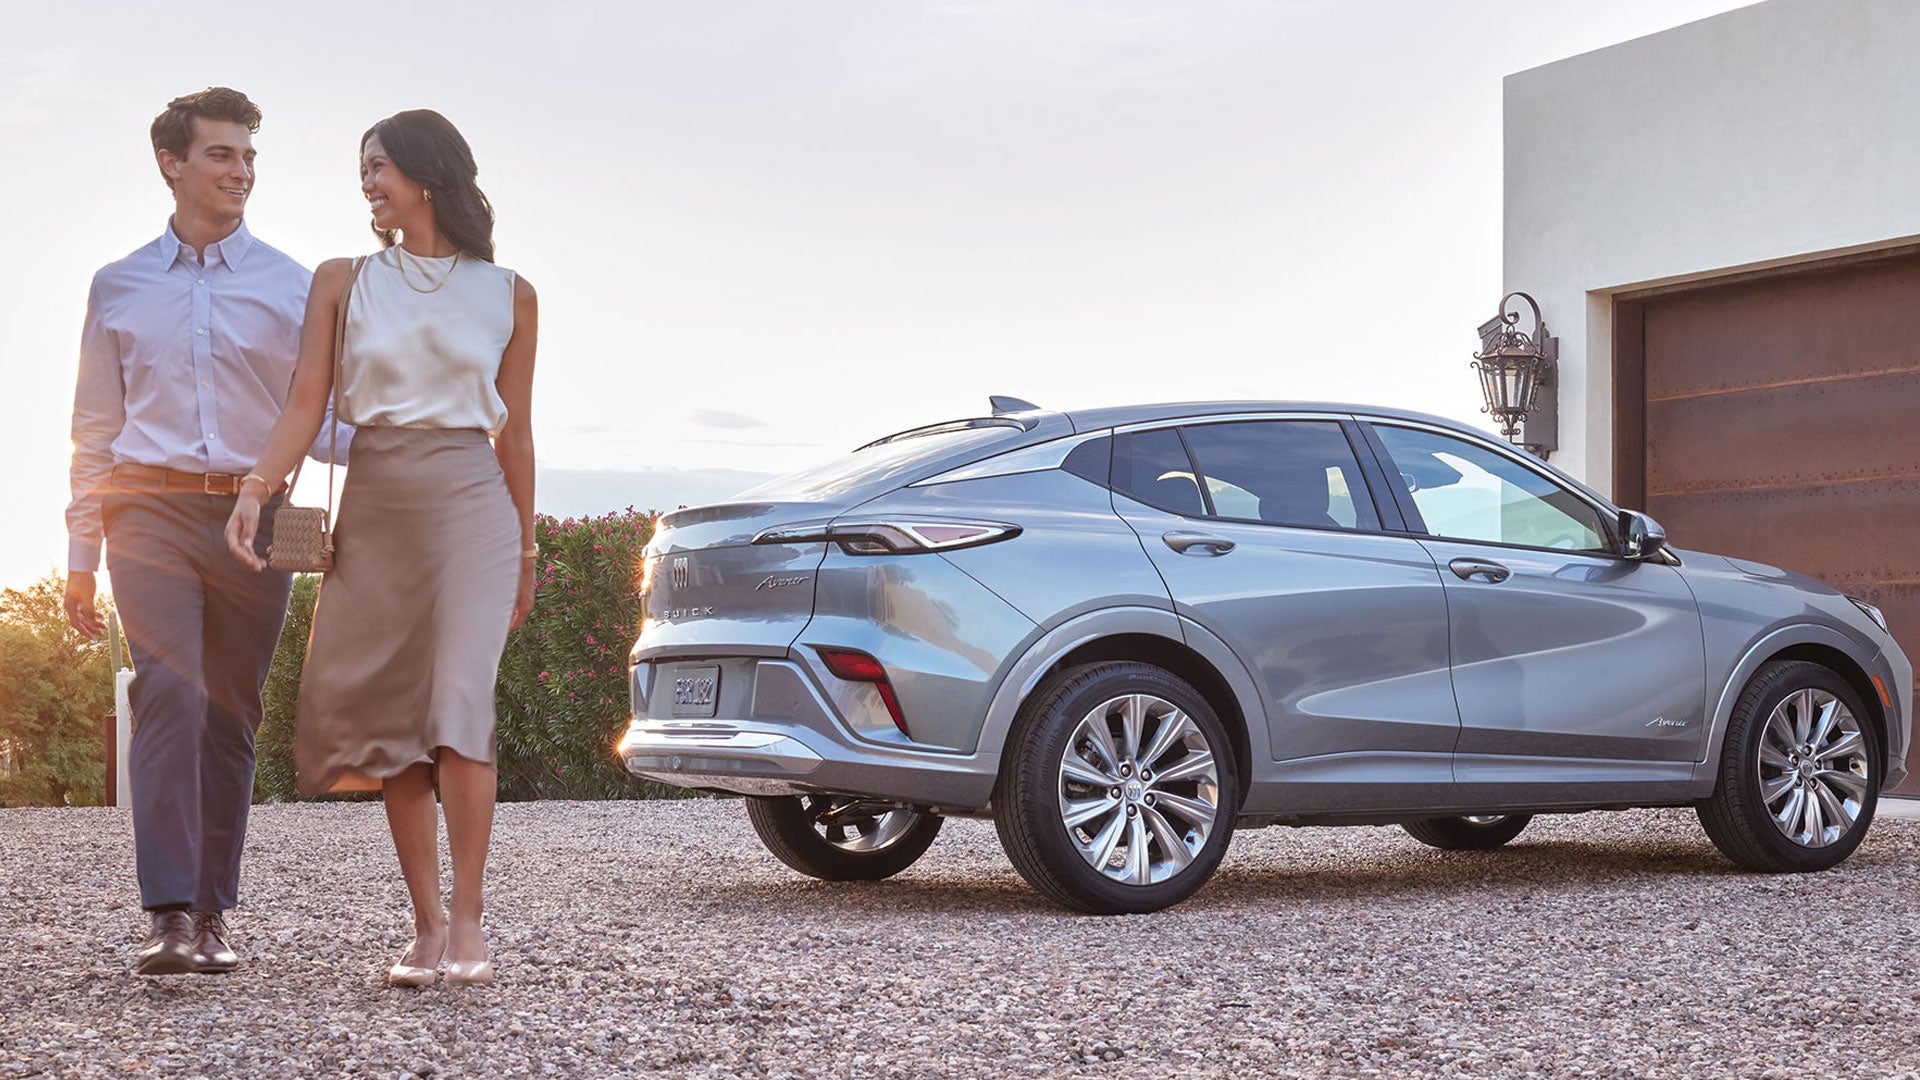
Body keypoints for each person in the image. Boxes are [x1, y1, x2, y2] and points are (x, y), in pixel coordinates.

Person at [225, 109, 538, 988]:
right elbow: (303, 406)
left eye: (380, 166)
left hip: (475, 504)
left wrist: (523, 551)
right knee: (400, 722)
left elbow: (516, 437)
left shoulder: (512, 293)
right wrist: (255, 491)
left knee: (460, 702)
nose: (367, 182)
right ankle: (428, 925)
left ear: (427, 174)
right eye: (362, 169)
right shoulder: (341, 280)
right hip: (378, 501)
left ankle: (472, 917)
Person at [65, 87, 346, 976]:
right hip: (143, 511)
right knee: (170, 696)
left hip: (252, 518)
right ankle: (171, 915)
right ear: (172, 164)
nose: (241, 172)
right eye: (222, 155)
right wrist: (80, 558)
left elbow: (328, 419)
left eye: (249, 157)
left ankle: (214, 912)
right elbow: (94, 432)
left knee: (230, 713)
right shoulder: (116, 286)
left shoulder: (293, 286)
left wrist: (424, 443)